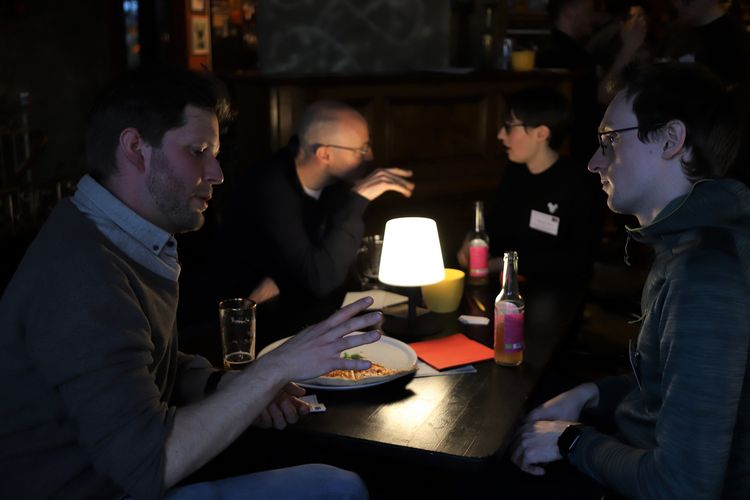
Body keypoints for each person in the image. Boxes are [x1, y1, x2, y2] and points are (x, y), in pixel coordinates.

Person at [0, 69, 382, 499]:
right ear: (134, 148)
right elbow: (149, 464)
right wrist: (278, 366)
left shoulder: (112, 233)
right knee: (339, 488)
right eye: (199, 151)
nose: (217, 173)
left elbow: (144, 364)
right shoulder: (82, 275)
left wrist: (226, 384)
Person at [510, 62, 750, 498]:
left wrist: (571, 439)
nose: (593, 161)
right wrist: (591, 393)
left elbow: (683, 487)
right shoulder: (686, 242)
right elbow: (668, 394)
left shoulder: (708, 275)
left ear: (672, 140)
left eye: (610, 140)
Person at [203, 100, 414, 327]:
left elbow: (330, 271)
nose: (370, 156)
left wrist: (285, 280)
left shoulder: (335, 185)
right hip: (244, 325)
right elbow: (320, 279)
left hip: (305, 315)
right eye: (362, 149)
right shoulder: (269, 186)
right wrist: (359, 199)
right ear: (324, 154)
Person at [458, 87, 600, 288]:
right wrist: (473, 241)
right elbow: (496, 223)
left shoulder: (578, 184)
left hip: (556, 291)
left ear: (541, 133)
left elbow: (577, 260)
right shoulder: (515, 172)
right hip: (506, 285)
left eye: (508, 127)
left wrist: (505, 264)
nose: (500, 135)